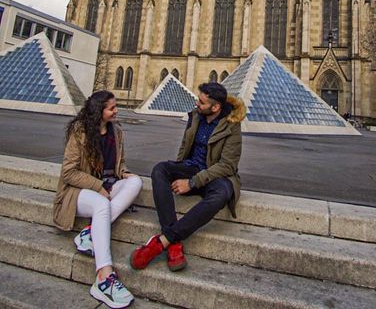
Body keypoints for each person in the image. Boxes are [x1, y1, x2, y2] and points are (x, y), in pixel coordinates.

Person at [130, 82, 246, 272]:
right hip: (191, 168)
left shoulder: (232, 125)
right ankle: (174, 243)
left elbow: (227, 165)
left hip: (213, 175)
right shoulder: (196, 116)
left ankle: (164, 240)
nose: (196, 103)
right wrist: (180, 171)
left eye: (201, 101)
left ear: (215, 107)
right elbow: (185, 147)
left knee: (222, 193)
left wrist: (192, 183)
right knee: (160, 169)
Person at [53, 90, 142, 309]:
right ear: (99, 111)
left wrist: (125, 174)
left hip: (106, 186)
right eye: (112, 108)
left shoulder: (116, 132)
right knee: (102, 204)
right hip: (77, 192)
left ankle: (90, 233)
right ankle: (104, 277)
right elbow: (68, 173)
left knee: (136, 182)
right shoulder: (80, 132)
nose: (116, 110)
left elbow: (118, 165)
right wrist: (98, 185)